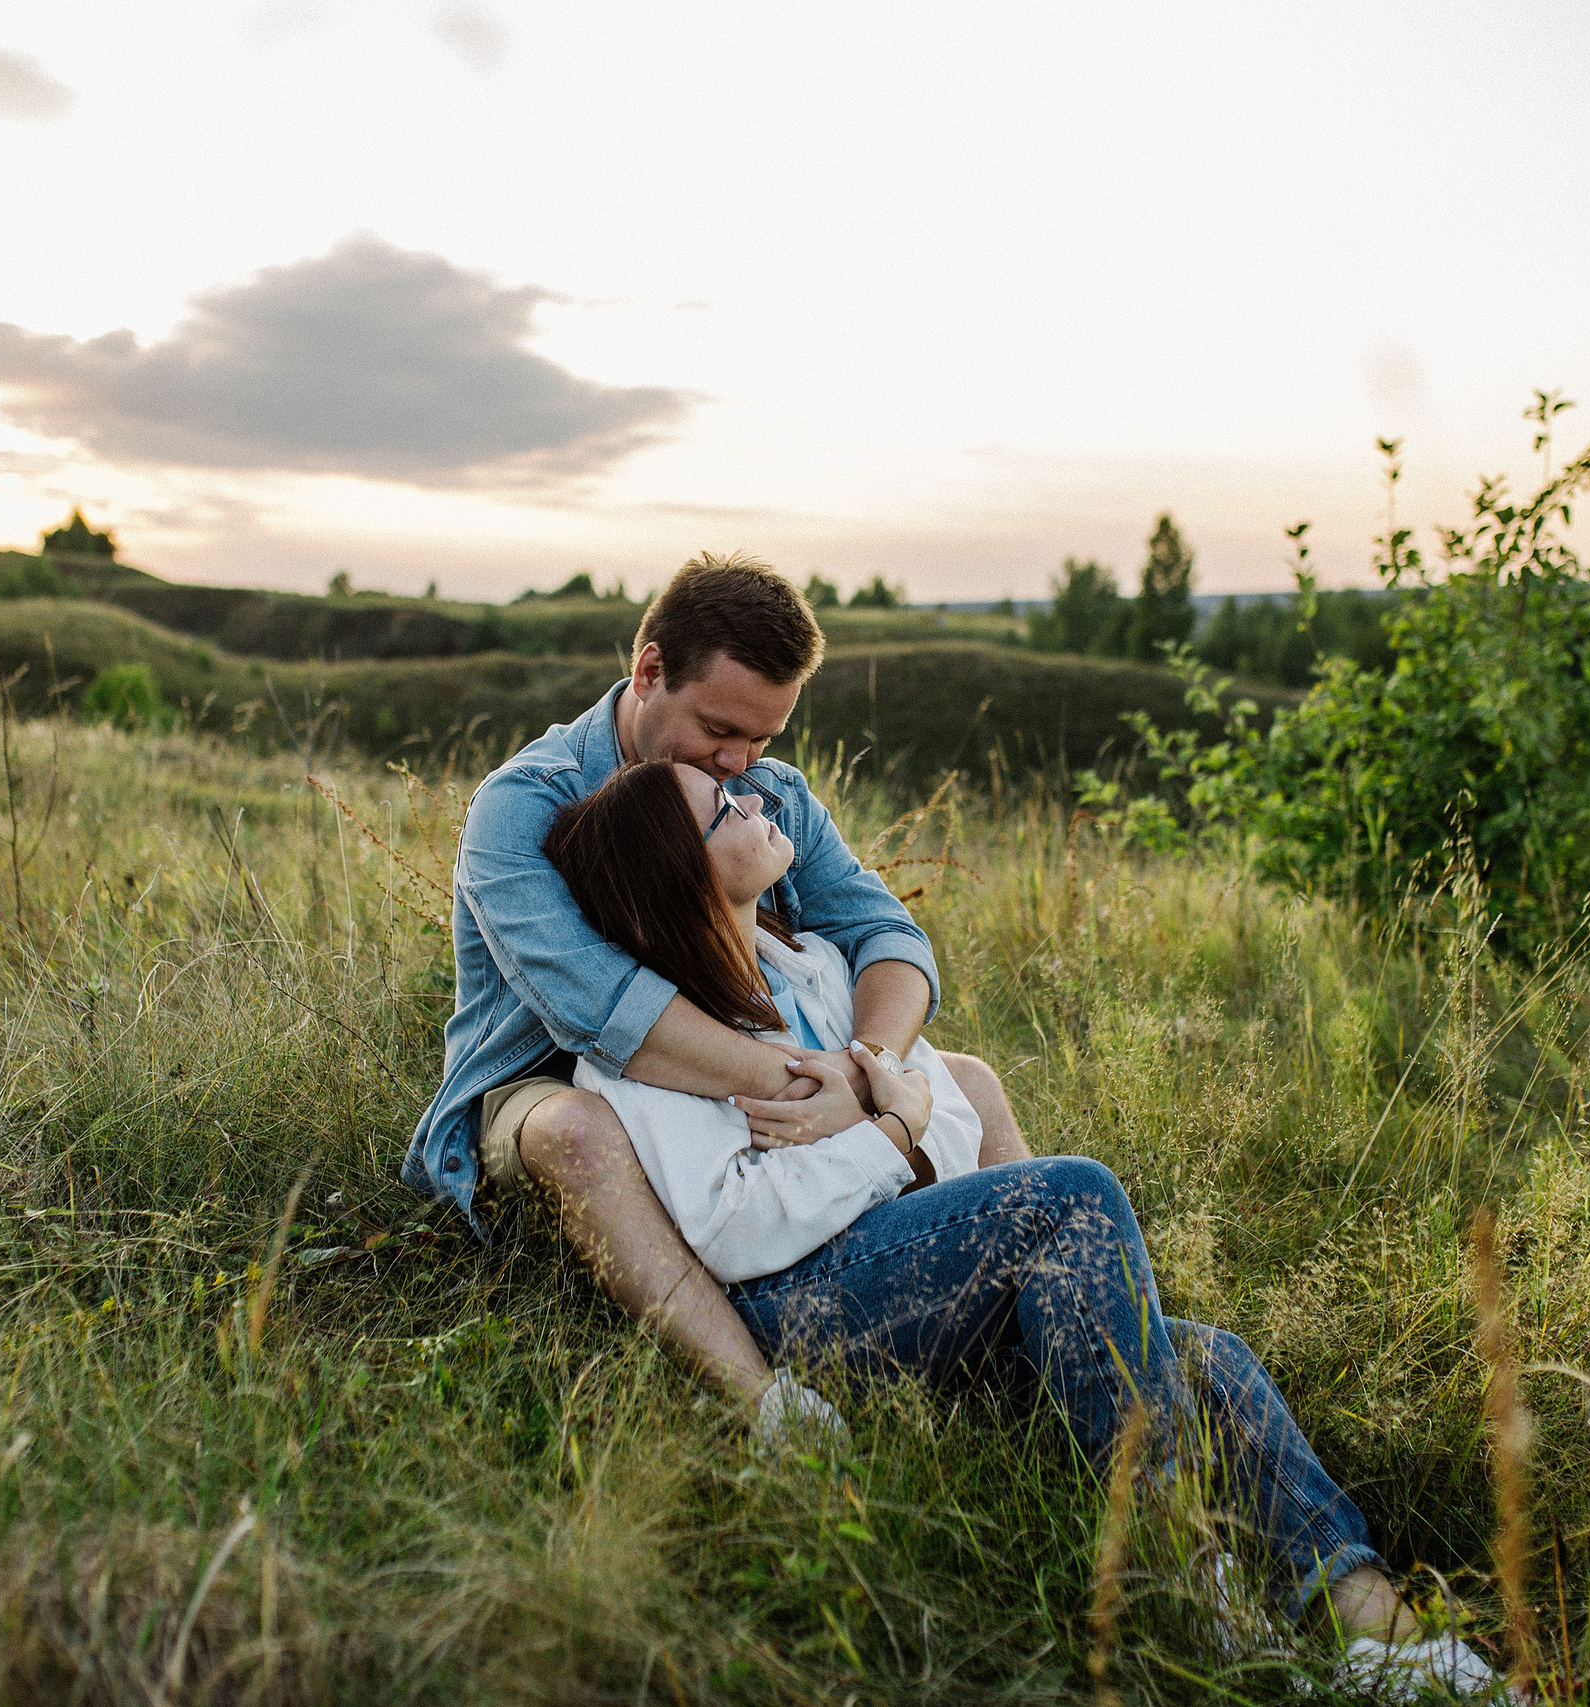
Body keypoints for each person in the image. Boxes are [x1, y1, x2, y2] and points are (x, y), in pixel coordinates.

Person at [537, 755, 1504, 1701]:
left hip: (911, 1267)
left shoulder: (818, 965)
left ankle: (1384, 1638)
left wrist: (891, 1117)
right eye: (724, 810)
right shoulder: (649, 1050)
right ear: (683, 878)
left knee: (1205, 1355)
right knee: (1068, 1196)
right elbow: (741, 1225)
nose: (756, 800)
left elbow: (950, 1112)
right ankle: (1181, 1573)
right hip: (801, 1309)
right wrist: (887, 1132)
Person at [404, 553, 1028, 1427]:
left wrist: (871, 1063)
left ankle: (1030, 1316)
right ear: (650, 670)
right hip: (556, 1081)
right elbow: (602, 1012)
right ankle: (764, 1402)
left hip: (738, 1071)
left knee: (971, 1082)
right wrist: (830, 1093)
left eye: (762, 739)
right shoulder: (523, 805)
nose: (739, 763)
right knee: (576, 1131)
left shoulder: (766, 794)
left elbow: (889, 937)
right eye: (719, 729)